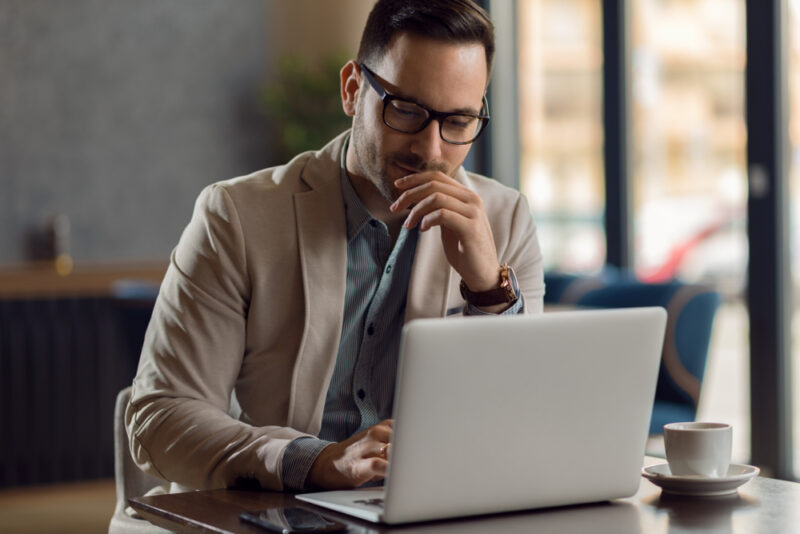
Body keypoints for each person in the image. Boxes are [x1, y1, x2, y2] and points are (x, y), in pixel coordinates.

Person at [126, 0, 544, 494]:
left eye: (457, 122)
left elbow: (522, 424)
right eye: (406, 110)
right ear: (352, 90)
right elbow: (160, 416)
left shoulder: (505, 219)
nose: (431, 150)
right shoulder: (234, 217)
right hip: (271, 510)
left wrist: (486, 290)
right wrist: (315, 461)